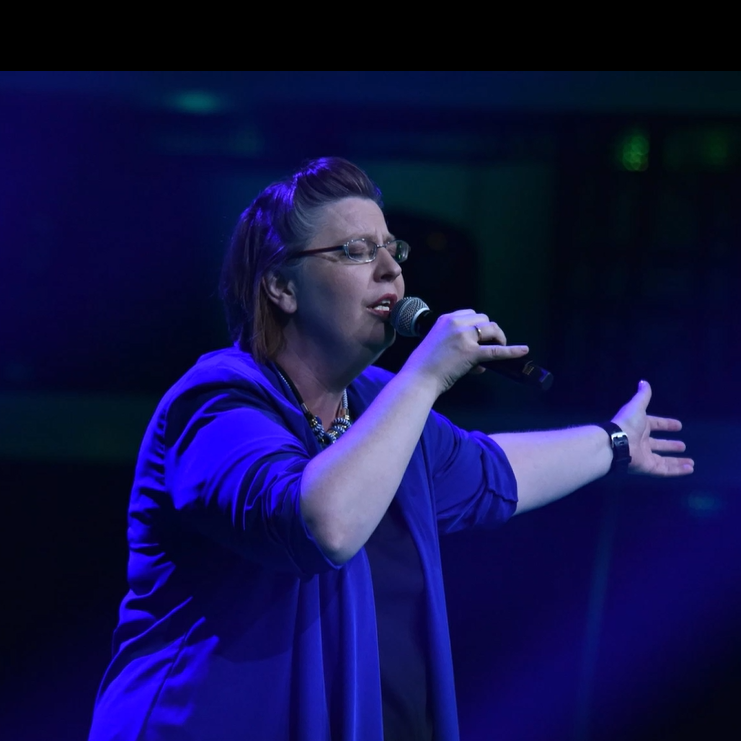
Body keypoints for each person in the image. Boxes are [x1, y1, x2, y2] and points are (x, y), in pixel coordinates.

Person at [87, 156, 693, 741]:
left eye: (391, 249)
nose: (390, 272)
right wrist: (424, 378)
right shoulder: (219, 405)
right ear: (281, 286)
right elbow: (323, 523)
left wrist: (614, 441)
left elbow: (492, 471)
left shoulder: (377, 402)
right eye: (356, 250)